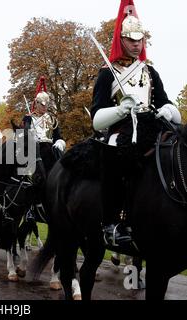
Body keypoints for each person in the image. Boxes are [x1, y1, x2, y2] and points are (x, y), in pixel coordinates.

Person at [90, 0, 181, 246]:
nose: (136, 44)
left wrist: (167, 109)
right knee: (116, 160)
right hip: (121, 130)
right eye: (131, 39)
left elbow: (169, 104)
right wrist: (120, 109)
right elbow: (97, 119)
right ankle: (111, 222)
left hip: (151, 126)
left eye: (140, 40)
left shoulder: (150, 72)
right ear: (121, 40)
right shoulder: (107, 73)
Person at [22, 76, 66, 172]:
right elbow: (24, 136)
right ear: (36, 103)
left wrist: (59, 143)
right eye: (42, 104)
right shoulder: (28, 118)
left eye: (46, 104)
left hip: (51, 150)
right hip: (36, 151)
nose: (45, 107)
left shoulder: (52, 119)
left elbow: (58, 136)